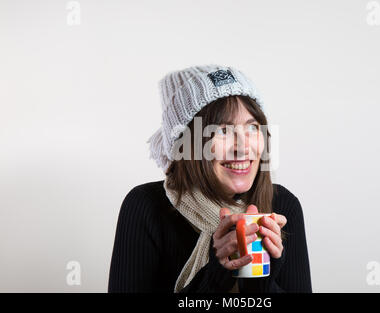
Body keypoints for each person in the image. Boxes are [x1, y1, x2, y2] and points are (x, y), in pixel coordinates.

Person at [108, 65, 312, 293]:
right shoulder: (146, 206)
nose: (243, 147)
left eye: (252, 127)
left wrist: (260, 282)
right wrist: (216, 276)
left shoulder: (283, 206)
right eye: (223, 130)